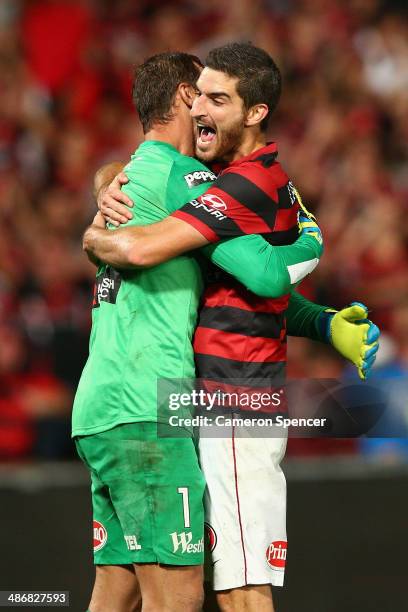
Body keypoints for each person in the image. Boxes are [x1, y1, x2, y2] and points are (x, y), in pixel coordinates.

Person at [84, 43, 379, 612]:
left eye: (218, 100)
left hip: (206, 405)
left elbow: (260, 280)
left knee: (179, 589)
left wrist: (93, 230)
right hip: (175, 405)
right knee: (175, 592)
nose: (203, 112)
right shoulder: (200, 179)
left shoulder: (216, 182)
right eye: (202, 96)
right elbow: (252, 278)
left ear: (254, 111)